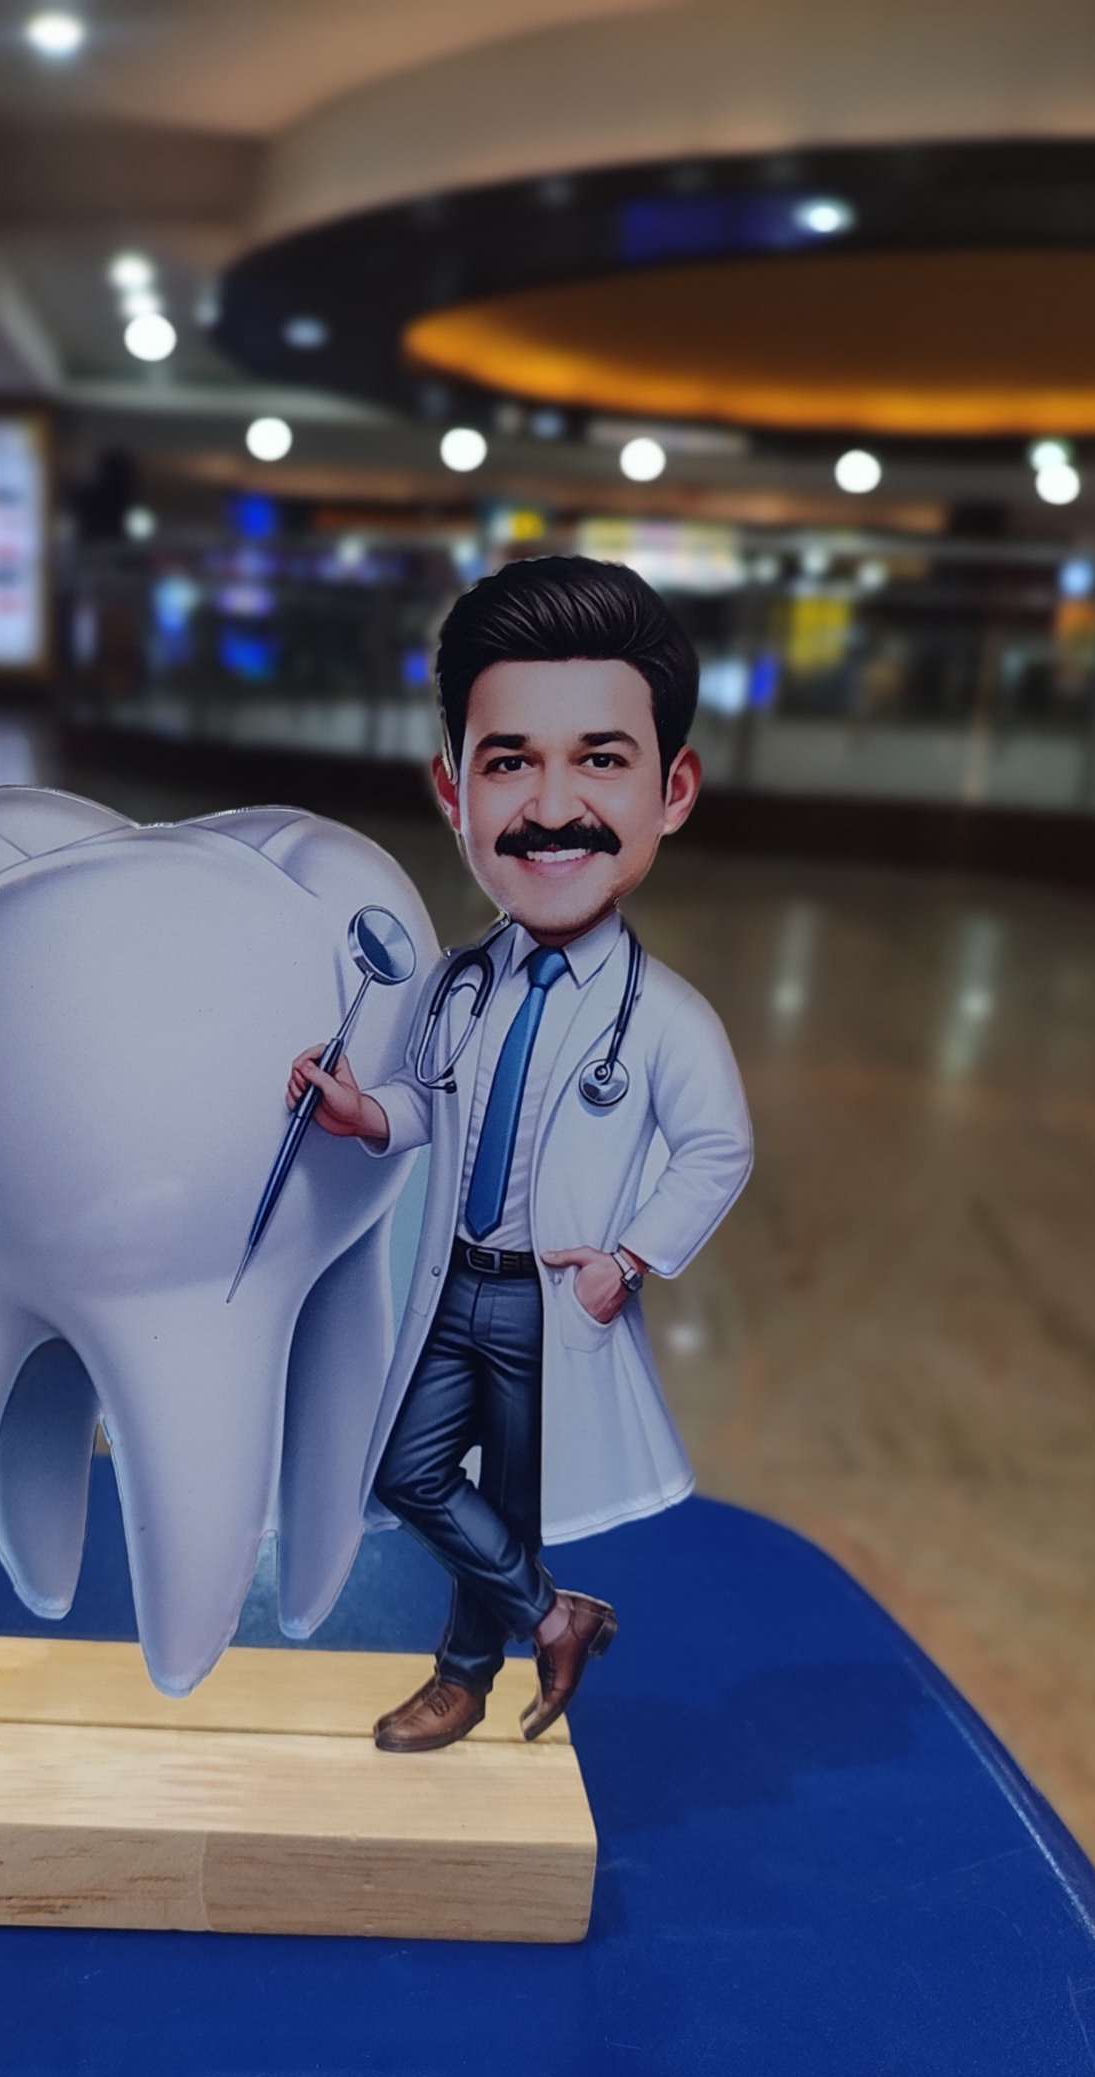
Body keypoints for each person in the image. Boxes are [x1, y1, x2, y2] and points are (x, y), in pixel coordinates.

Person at [288, 555, 752, 1750]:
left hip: (555, 1298)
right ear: (452, 790)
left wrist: (628, 1262)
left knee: (512, 1497)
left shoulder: (667, 1020)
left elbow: (716, 1150)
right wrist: (365, 1114)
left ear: (672, 788)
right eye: (509, 763)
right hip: (456, 1285)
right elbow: (433, 1099)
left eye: (599, 759)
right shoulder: (459, 981)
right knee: (405, 1471)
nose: (551, 807)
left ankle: (462, 1677)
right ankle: (553, 1616)